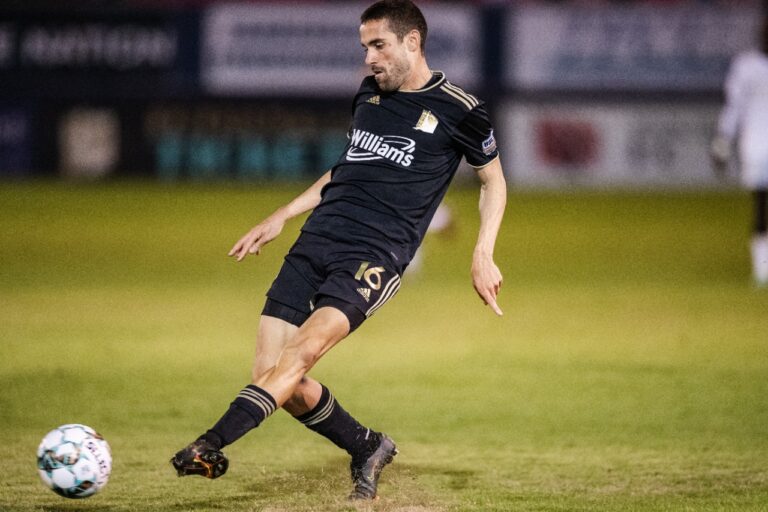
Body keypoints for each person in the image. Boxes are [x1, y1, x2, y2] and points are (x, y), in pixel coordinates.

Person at [170, 0, 506, 500]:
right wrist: (282, 215)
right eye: (365, 47)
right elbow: (349, 166)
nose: (369, 58)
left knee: (299, 355)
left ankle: (210, 444)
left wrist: (483, 251)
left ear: (412, 42)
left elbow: (493, 181)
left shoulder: (461, 108)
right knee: (269, 374)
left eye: (378, 45)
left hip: (374, 255)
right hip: (318, 239)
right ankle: (366, 445)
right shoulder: (368, 96)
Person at [712, 16, 768, 287]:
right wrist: (722, 141)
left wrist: (722, 142)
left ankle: (762, 270)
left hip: (755, 146)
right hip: (757, 146)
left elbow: (732, 108)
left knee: (760, 207)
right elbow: (734, 108)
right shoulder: (746, 66)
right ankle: (762, 270)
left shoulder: (746, 66)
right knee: (760, 207)